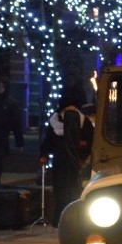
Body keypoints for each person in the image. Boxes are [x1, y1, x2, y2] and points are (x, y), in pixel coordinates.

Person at [40, 90, 94, 226]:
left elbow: (91, 140)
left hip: (77, 162)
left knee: (75, 189)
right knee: (60, 190)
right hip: (60, 161)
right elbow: (48, 141)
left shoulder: (83, 122)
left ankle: (75, 219)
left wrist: (84, 145)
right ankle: (60, 218)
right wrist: (43, 154)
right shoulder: (54, 123)